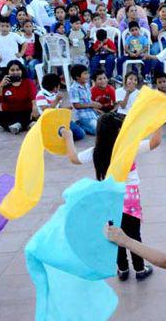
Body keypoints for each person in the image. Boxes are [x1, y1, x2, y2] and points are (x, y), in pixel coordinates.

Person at [63, 114, 158, 280]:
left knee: (115, 233)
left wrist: (68, 137)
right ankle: (140, 269)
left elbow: (73, 158)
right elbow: (154, 142)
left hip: (108, 198)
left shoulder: (96, 151)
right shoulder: (128, 148)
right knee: (133, 234)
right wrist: (158, 120)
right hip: (129, 198)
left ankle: (122, 269)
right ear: (119, 130)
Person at [0, 60, 36, 134]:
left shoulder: (28, 82)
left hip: (26, 113)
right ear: (8, 71)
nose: (15, 72)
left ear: (21, 71)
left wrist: (35, 108)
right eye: (12, 70)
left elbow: (33, 98)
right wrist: (1, 86)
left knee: (39, 113)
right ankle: (26, 125)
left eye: (18, 70)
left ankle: (17, 126)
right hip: (10, 114)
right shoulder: (3, 83)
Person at [68, 64, 101, 136]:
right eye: (85, 74)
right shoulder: (74, 88)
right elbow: (76, 105)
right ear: (77, 77)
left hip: (92, 114)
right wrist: (91, 104)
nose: (88, 75)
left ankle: (85, 125)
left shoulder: (86, 85)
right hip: (83, 117)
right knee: (98, 131)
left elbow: (88, 100)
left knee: (106, 126)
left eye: (87, 73)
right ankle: (80, 125)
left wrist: (94, 106)